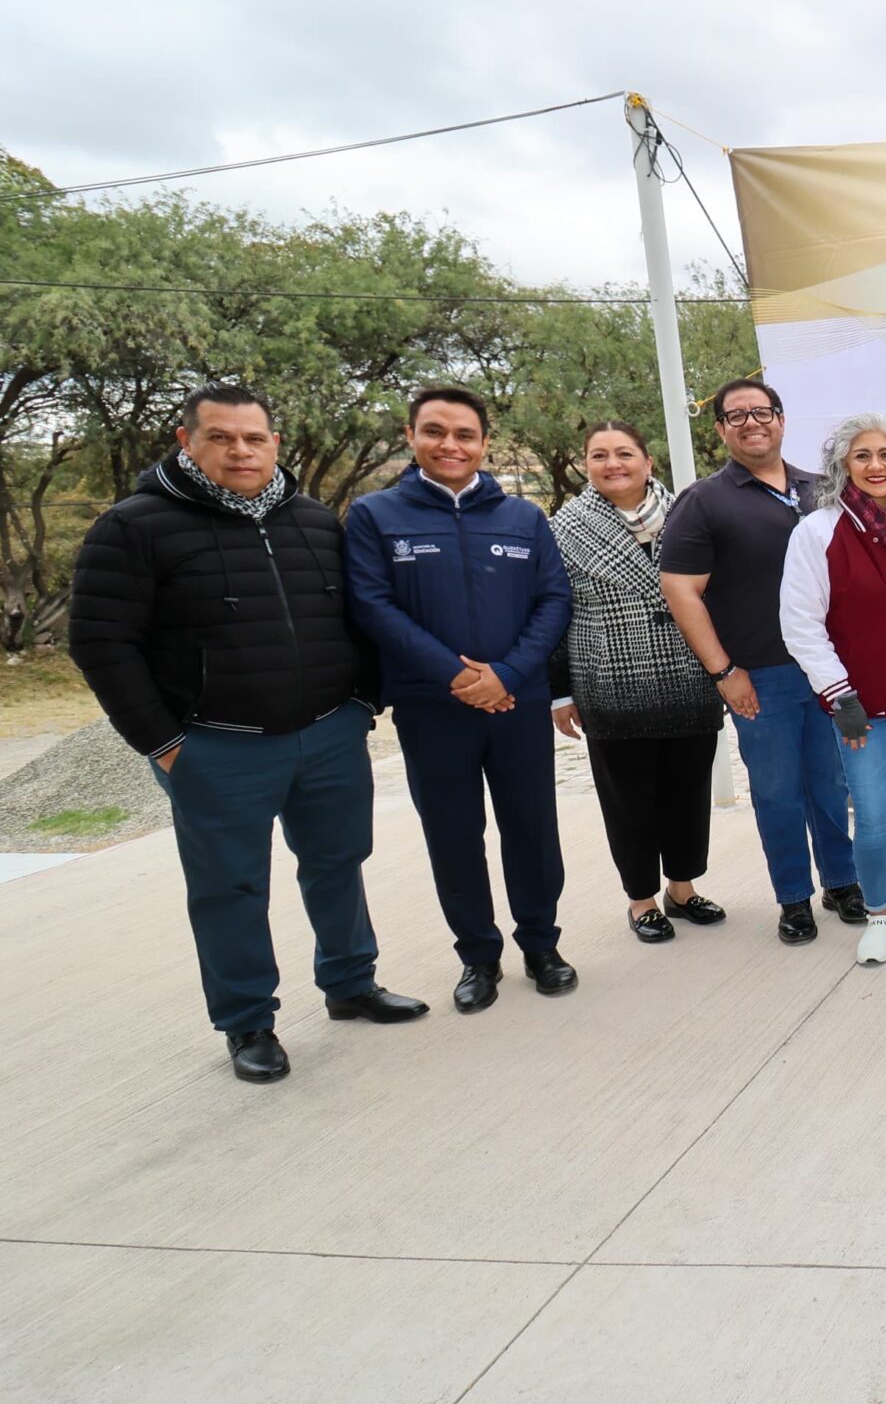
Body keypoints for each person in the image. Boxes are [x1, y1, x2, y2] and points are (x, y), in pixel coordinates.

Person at [67, 383, 426, 1082]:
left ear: (274, 444)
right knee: (229, 887)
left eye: (254, 438)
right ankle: (248, 1021)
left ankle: (350, 982)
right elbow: (101, 643)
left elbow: (359, 616)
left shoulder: (313, 520)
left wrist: (361, 702)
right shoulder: (134, 527)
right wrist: (165, 744)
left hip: (328, 733)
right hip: (216, 745)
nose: (240, 450)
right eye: (221, 437)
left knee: (338, 861)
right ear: (186, 441)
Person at [345, 386, 576, 1012]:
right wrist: (456, 676)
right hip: (431, 708)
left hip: (517, 704)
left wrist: (508, 674)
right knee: (453, 835)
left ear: (483, 443)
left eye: (464, 434)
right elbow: (371, 604)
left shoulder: (523, 518)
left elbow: (554, 599)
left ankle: (541, 946)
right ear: (411, 436)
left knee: (532, 828)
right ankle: (478, 956)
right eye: (435, 431)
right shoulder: (375, 515)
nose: (450, 445)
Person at [657, 379, 860, 946]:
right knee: (777, 792)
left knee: (833, 784)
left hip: (830, 673)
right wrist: (724, 672)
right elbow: (681, 591)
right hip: (760, 677)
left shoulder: (824, 489)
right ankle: (793, 897)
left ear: (781, 420)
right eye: (737, 415)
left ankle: (842, 883)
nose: (752, 423)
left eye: (762, 412)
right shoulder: (704, 500)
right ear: (721, 429)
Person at [780, 414, 886, 967]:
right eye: (862, 456)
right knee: (875, 815)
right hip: (859, 706)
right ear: (843, 466)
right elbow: (800, 623)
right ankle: (876, 915)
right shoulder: (818, 532)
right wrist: (840, 695)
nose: (876, 466)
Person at [548, 422, 729, 944]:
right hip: (609, 681)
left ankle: (682, 888)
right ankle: (641, 899)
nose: (613, 464)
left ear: (648, 462)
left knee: (688, 791)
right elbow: (552, 612)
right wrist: (559, 692)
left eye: (625, 453)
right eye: (599, 455)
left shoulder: (689, 513)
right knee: (628, 800)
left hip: (689, 673)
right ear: (586, 465)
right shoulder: (563, 527)